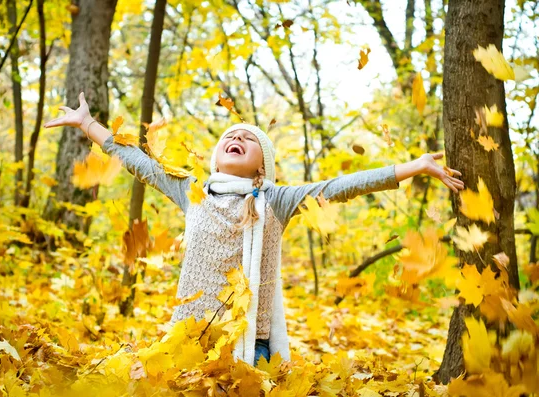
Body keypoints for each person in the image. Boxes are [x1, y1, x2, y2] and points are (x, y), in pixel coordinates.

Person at [44, 92, 465, 367]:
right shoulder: (193, 191)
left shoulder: (275, 202)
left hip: (250, 347)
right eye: (231, 136)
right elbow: (140, 163)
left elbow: (339, 188)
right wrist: (87, 125)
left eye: (247, 139)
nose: (237, 138)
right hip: (187, 339)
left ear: (262, 164)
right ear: (216, 158)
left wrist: (414, 167)